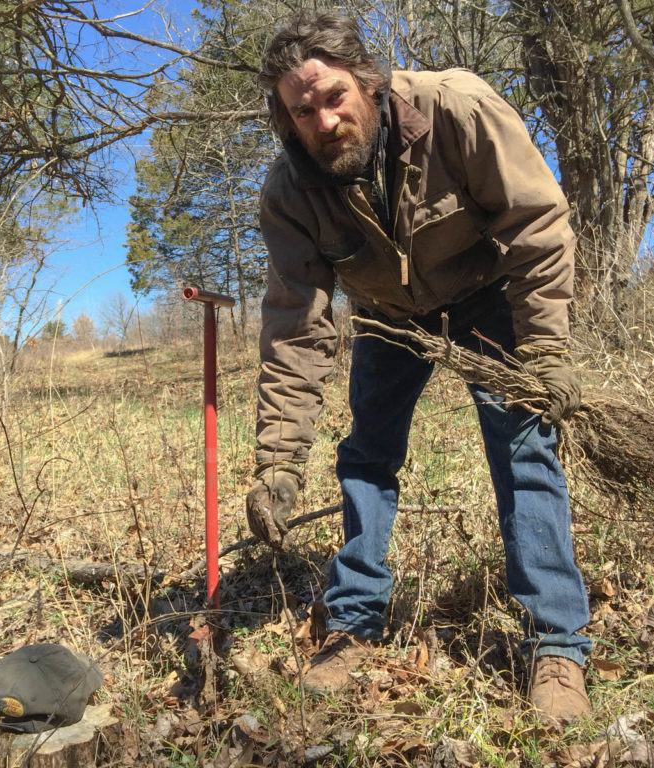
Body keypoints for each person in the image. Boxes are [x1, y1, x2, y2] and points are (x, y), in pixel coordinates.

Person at [244, 11, 593, 724]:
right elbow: (294, 329)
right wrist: (277, 460)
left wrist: (547, 352)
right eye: (302, 110)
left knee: (523, 447)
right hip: (389, 315)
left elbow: (538, 227)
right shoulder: (290, 193)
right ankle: (353, 624)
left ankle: (556, 643)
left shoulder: (456, 107)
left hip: (488, 293)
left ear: (368, 83)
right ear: (286, 120)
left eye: (334, 96)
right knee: (367, 455)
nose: (324, 120)